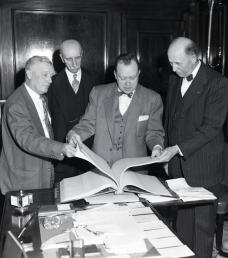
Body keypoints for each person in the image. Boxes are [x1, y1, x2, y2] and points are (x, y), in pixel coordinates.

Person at [159, 37, 228, 258]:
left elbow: (211, 128)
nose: (172, 68)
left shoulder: (217, 83)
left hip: (203, 167)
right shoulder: (173, 80)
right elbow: (170, 121)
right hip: (177, 165)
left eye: (177, 63)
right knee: (183, 224)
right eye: (171, 62)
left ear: (194, 57)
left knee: (202, 228)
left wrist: (176, 149)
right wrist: (167, 155)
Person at [67, 53, 164, 172]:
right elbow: (88, 124)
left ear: (139, 73)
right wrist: (74, 134)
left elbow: (154, 132)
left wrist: (157, 146)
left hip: (136, 169)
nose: (128, 83)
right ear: (115, 75)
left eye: (132, 77)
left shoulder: (152, 99)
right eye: (122, 78)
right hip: (100, 168)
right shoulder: (98, 93)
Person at [0, 56, 77, 195]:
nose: (50, 80)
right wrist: (61, 147)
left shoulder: (42, 98)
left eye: (51, 75)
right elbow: (28, 139)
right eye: (45, 75)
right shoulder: (16, 104)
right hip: (25, 180)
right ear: (29, 74)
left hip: (44, 173)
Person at [47, 39, 95, 183]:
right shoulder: (50, 84)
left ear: (82, 54)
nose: (74, 64)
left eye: (77, 58)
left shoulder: (95, 80)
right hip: (63, 159)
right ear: (61, 58)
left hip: (89, 154)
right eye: (68, 59)